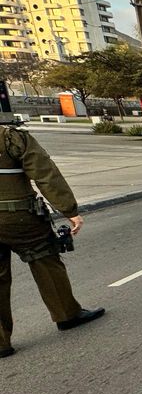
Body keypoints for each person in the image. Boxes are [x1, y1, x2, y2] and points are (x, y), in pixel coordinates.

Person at [0, 119, 105, 358]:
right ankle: (66, 314)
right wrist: (69, 210)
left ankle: (1, 342)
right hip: (19, 217)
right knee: (46, 260)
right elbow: (45, 174)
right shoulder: (10, 137)